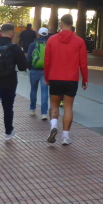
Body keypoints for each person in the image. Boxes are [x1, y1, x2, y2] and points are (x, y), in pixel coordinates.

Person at [44, 14, 88, 145]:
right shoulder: (79, 41)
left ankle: (53, 126)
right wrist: (85, 79)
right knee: (68, 107)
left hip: (55, 77)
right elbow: (83, 63)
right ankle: (65, 137)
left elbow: (47, 61)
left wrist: (47, 77)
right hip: (71, 79)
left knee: (54, 105)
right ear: (72, 24)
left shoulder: (52, 40)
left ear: (61, 24)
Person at [26, 27, 50, 120]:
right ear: (47, 35)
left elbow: (28, 58)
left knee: (33, 90)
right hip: (45, 71)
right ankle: (44, 113)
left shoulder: (33, 44)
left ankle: (32, 109)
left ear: (38, 34)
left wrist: (30, 68)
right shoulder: (49, 45)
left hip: (34, 69)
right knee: (44, 91)